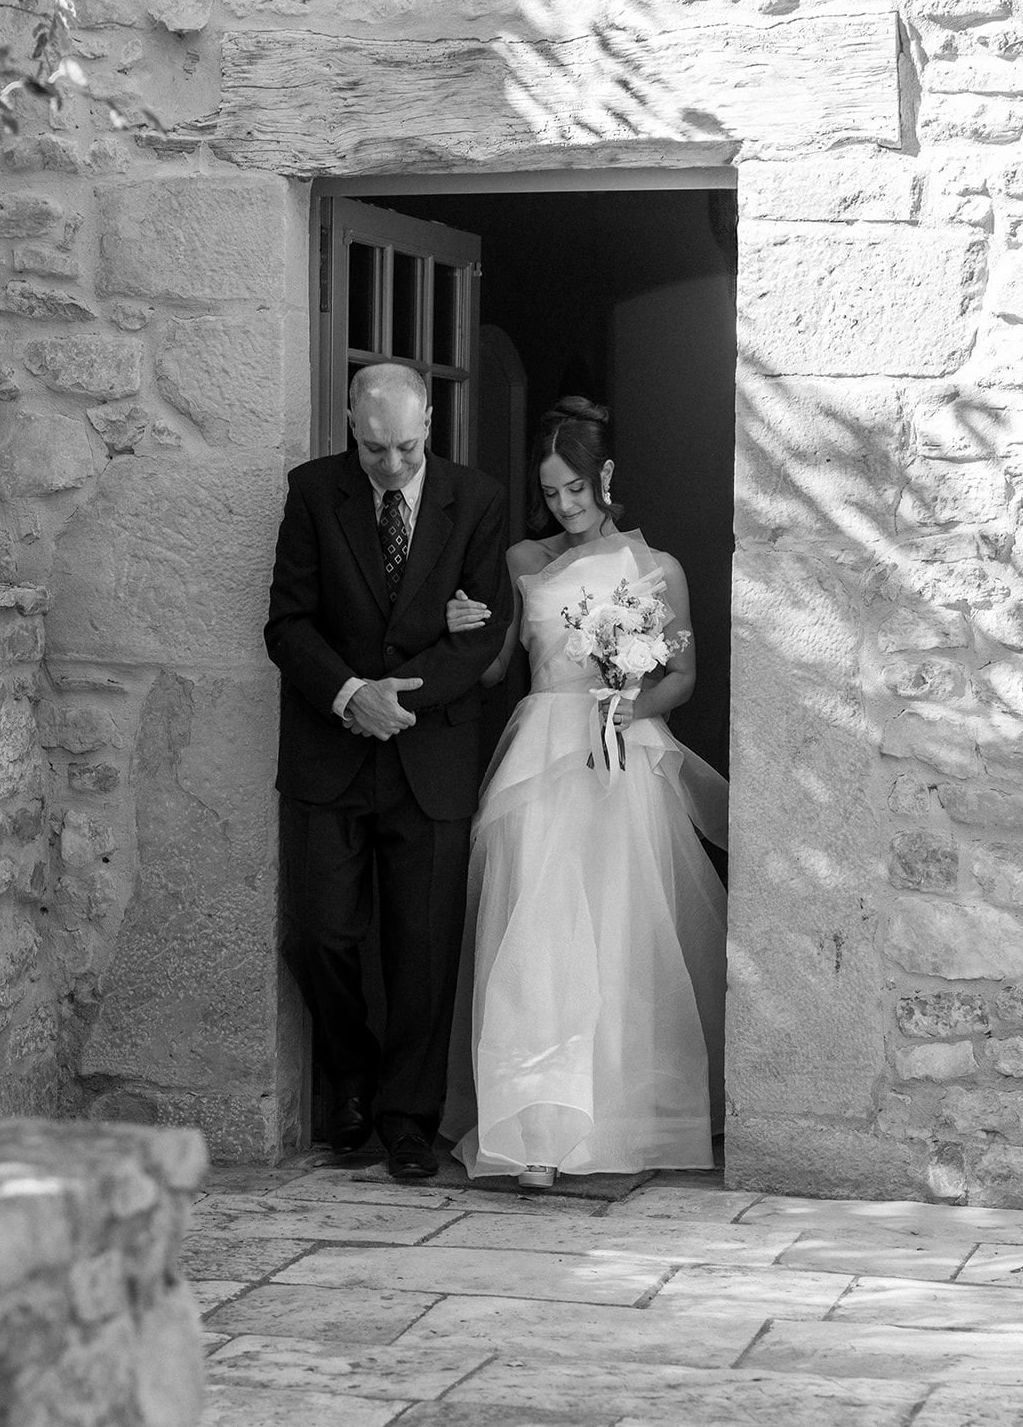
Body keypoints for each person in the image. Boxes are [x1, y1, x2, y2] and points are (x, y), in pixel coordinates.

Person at [442, 396, 728, 1188]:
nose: (563, 506)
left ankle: (619, 1117)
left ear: (603, 476)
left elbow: (683, 673)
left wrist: (628, 704)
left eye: (574, 488)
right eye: (552, 494)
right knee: (535, 933)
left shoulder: (655, 570)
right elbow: (499, 667)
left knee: (620, 933)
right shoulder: (523, 564)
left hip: (619, 761)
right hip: (540, 756)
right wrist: (464, 626)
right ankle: (533, 1126)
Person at [264, 363, 512, 1181]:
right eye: (374, 449)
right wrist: (348, 695)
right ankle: (353, 1081)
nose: (393, 464)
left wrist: (398, 700)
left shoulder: (476, 500)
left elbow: (483, 634)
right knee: (322, 934)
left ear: (431, 422)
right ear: (349, 424)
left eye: (406, 446)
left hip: (429, 755)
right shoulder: (311, 493)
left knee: (422, 947)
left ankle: (407, 1118)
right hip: (328, 753)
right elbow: (287, 623)